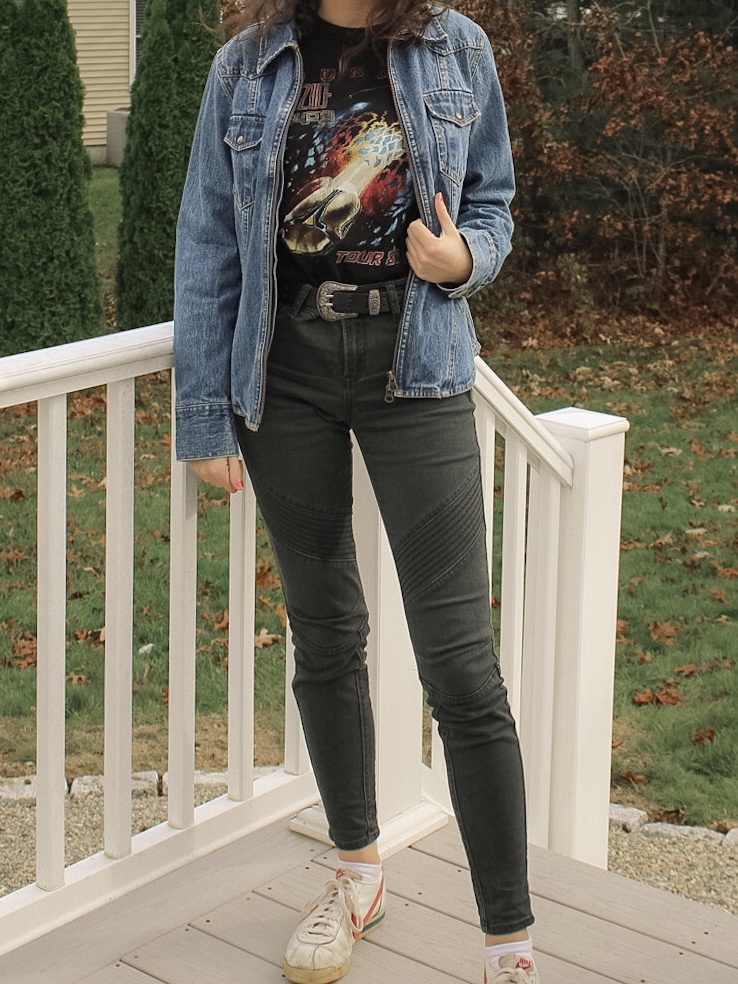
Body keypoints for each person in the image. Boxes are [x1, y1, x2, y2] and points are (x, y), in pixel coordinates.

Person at [173, 1, 539, 982]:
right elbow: (209, 242)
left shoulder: (455, 47)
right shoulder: (245, 66)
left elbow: (495, 203)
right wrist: (206, 412)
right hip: (283, 373)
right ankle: (355, 872)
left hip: (414, 368)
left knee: (462, 670)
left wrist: (464, 261)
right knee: (326, 638)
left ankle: (510, 944)